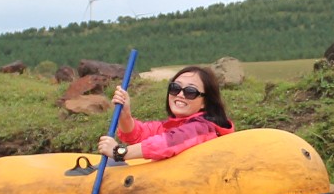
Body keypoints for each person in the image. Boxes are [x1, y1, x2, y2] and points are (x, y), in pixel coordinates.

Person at [97, 65, 233, 162]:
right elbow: (137, 134)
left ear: (205, 102)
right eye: (175, 88)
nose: (180, 95)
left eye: (190, 91)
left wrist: (120, 152)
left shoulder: (204, 127)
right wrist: (125, 114)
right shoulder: (173, 126)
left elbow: (169, 143)